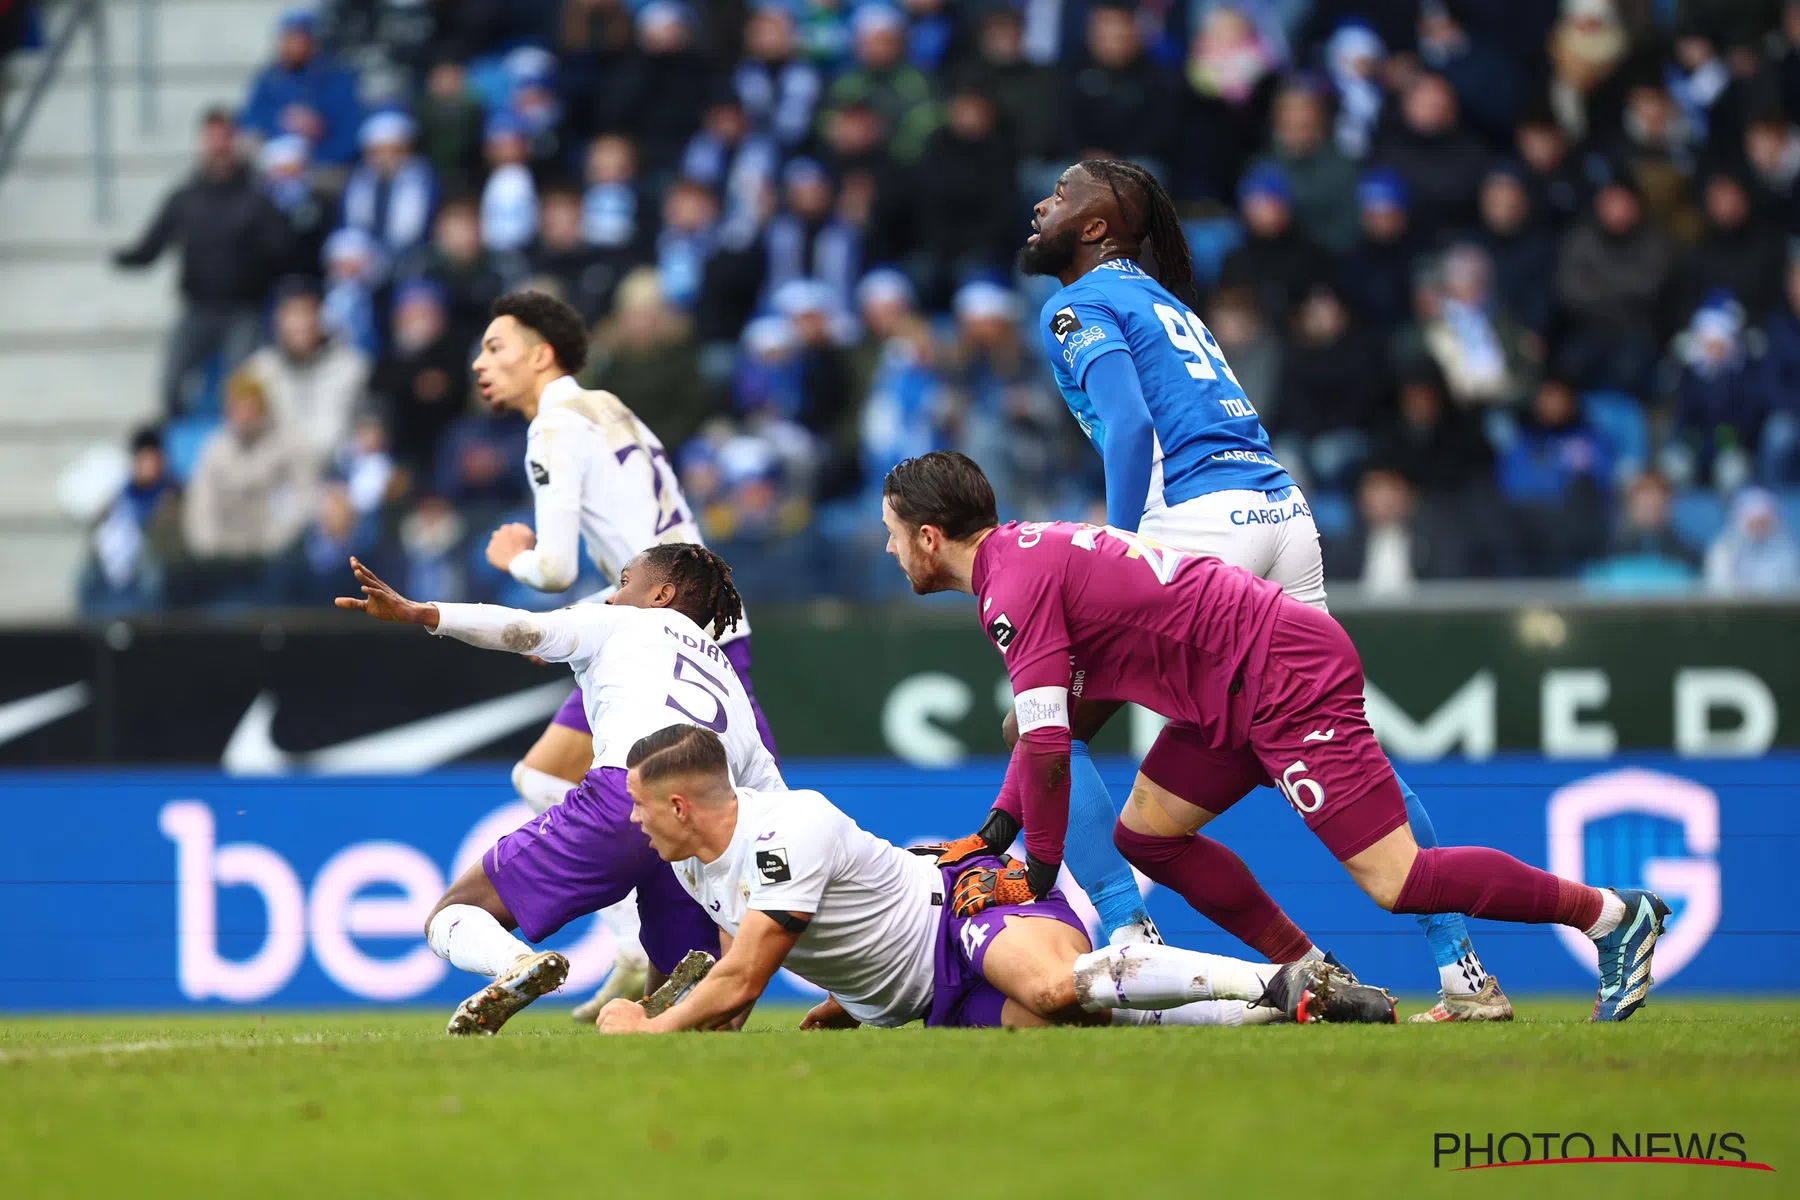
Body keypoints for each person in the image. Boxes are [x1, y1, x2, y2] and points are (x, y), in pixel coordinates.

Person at [880, 452, 1671, 1024]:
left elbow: (1051, 748)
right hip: (1226, 690)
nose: (886, 549)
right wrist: (997, 831)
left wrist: (1038, 871)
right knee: (1149, 835)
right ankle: (1315, 976)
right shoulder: (1027, 555)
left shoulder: (1010, 589)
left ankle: (1610, 914)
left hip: (1279, 674)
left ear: (928, 536)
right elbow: (1052, 731)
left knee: (1397, 881)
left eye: (893, 532)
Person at [1010, 159, 1508, 1021]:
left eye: (1061, 195)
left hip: (1198, 526)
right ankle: (1460, 969)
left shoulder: (1078, 302)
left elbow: (1129, 424)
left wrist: (1123, 552)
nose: (1041, 205)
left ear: (1096, 229)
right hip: (1283, 512)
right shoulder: (1164, 302)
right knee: (1339, 741)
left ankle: (1129, 931)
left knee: (1036, 718)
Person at [593, 724, 1395, 1033]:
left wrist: (644, 1030)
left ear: (678, 802)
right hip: (928, 991)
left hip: (964, 904)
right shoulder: (697, 864)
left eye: (638, 807)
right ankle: (1306, 1013)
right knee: (1064, 1026)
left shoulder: (783, 827)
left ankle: (1288, 980)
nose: (633, 822)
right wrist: (857, 999)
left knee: (1050, 988)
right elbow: (743, 984)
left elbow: (738, 980)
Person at [470, 290, 777, 1018]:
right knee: (543, 776)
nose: (481, 363)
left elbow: (553, 567)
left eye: (496, 347)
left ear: (542, 354)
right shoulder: (610, 408)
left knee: (753, 820)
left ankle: (835, 959)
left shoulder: (552, 426)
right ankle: (644, 949)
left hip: (660, 636)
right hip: (688, 621)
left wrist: (513, 557)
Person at [333, 546, 778, 1036]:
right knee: (688, 1015)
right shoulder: (730, 683)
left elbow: (525, 628)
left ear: (661, 594)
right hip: (702, 831)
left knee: (451, 914)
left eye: (624, 581)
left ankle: (517, 964)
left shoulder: (622, 623)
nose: (612, 596)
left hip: (627, 797)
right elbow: (773, 804)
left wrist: (424, 613)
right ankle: (685, 1021)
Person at [113, 108, 292, 416]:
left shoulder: (256, 199)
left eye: (225, 138)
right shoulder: (185, 198)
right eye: (212, 138)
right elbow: (151, 246)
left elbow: (282, 251)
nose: (219, 146)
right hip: (198, 308)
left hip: (242, 310)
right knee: (170, 388)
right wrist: (126, 257)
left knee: (241, 392)